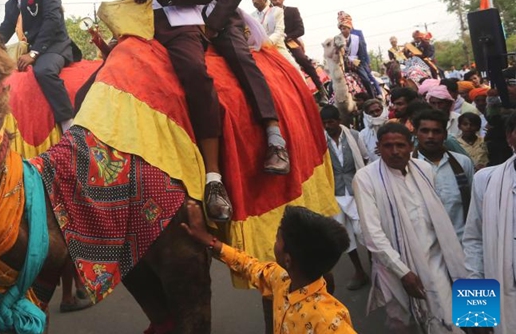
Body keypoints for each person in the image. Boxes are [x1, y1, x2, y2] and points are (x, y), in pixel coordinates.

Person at [118, 0, 264, 217]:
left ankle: (213, 177)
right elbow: (127, 1)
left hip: (180, 24)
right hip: (142, 31)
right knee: (101, 81)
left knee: (195, 75)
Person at [165, 0, 290, 220]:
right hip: (182, 24)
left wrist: (212, 24)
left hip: (219, 19)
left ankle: (275, 137)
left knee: (239, 57)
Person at [353, 122, 467, 333]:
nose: (395, 151)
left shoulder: (424, 169)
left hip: (437, 257)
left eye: (400, 145)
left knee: (449, 318)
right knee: (404, 322)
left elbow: (439, 218)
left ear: (410, 146)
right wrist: (402, 272)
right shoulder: (365, 178)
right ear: (379, 147)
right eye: (388, 146)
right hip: (397, 266)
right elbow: (372, 233)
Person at [181, 200, 355, 333]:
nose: (275, 241)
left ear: (288, 260)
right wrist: (209, 241)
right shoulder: (280, 278)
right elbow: (249, 266)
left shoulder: (330, 321)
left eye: (278, 238)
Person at [0, 0, 80, 133]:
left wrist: (34, 53)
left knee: (44, 71)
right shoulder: (11, 4)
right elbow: (5, 31)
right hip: (36, 51)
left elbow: (52, 20)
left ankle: (69, 125)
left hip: (56, 47)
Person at [463, 111, 516, 334]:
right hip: (506, 298)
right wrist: (476, 313)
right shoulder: (486, 180)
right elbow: (474, 240)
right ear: (509, 137)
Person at [321, 106, 370, 291]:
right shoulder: (321, 142)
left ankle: (377, 268)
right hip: (334, 193)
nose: (328, 126)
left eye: (330, 122)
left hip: (356, 190)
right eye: (324, 123)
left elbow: (365, 159)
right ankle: (359, 271)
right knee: (345, 234)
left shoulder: (355, 136)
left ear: (338, 120)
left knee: (364, 230)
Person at [411, 109, 474, 240]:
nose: (430, 136)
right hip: (424, 245)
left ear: (445, 135)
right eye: (425, 131)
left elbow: (473, 205)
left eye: (436, 131)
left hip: (460, 242)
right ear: (416, 133)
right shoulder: (408, 165)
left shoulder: (462, 163)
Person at [268, 0, 328, 103]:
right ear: (270, 1)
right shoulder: (267, 14)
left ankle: (321, 90)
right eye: (274, 0)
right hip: (272, 43)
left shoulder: (292, 11)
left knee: (302, 60)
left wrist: (286, 37)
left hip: (289, 42)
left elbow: (300, 30)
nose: (277, 1)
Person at [247, 0, 300, 71]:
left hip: (277, 47)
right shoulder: (251, 17)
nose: (254, 1)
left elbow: (279, 31)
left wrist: (267, 43)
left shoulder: (277, 11)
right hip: (259, 50)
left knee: (295, 68)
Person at [337, 12, 380, 97]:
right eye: (341, 28)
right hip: (344, 65)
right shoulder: (338, 38)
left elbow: (363, 50)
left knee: (366, 78)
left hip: (357, 63)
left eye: (345, 28)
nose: (343, 30)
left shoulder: (357, 35)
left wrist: (365, 63)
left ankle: (374, 96)